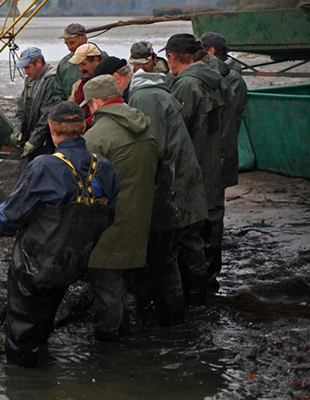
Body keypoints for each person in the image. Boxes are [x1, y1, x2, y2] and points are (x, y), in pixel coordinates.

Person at [0, 101, 119, 367]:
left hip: (34, 265)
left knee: (22, 331)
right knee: (47, 316)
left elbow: (13, 213)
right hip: (72, 262)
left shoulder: (44, 166)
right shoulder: (104, 167)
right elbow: (107, 217)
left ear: (52, 129)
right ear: (84, 126)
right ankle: (44, 366)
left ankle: (24, 382)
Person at [128, 68, 209, 321]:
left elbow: (156, 146)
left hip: (170, 188)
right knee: (187, 245)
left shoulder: (144, 98)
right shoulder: (160, 93)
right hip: (184, 185)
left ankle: (173, 316)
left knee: (165, 257)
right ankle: (197, 300)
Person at [81, 75, 157, 341]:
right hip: (140, 221)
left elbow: (83, 187)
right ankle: (133, 334)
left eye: (89, 105)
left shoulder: (96, 137)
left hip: (110, 227)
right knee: (125, 286)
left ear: (97, 102)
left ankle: (109, 352)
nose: (88, 109)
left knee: (107, 289)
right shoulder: (144, 124)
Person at [165, 33, 226, 296]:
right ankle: (208, 284)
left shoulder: (185, 85)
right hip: (212, 159)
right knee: (209, 228)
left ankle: (196, 291)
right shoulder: (213, 77)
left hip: (194, 166)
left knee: (190, 235)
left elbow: (177, 132)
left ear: (172, 57)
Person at [201, 32, 248, 189]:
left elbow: (225, 116)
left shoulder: (231, 78)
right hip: (217, 145)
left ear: (212, 52)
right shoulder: (225, 74)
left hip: (220, 146)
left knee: (214, 191)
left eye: (201, 51)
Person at [10, 47, 59, 159]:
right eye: (23, 69)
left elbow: (47, 115)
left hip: (46, 141)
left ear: (39, 62)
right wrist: (18, 130)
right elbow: (21, 108)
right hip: (31, 137)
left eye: (28, 67)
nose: (25, 72)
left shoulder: (51, 80)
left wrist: (34, 141)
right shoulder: (29, 80)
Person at [52, 23, 87, 104]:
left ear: (84, 39)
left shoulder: (100, 57)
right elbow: (58, 93)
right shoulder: (64, 64)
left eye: (72, 42)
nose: (69, 47)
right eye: (66, 43)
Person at [67, 42, 104, 119]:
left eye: (84, 64)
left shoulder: (107, 84)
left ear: (96, 60)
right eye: (79, 65)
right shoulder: (78, 85)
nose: (80, 69)